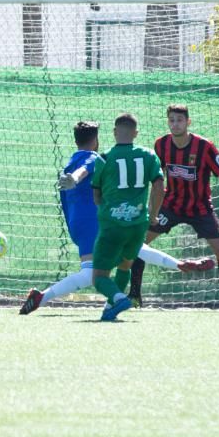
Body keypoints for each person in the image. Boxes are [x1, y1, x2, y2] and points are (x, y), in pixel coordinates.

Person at [19, 120, 213, 315]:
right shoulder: (94, 158)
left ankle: (176, 266)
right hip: (92, 221)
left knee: (127, 253)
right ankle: (43, 297)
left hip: (78, 223)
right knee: (96, 271)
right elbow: (84, 170)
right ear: (95, 140)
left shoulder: (69, 162)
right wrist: (75, 179)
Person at [127, 104, 219, 312]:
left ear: (188, 122)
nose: (175, 124)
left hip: (200, 208)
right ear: (168, 122)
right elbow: (156, 178)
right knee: (140, 244)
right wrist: (152, 207)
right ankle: (134, 296)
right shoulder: (161, 145)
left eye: (180, 120)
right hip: (170, 206)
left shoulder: (204, 146)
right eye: (172, 120)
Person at [90, 113, 165, 321]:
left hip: (112, 226)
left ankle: (119, 298)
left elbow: (96, 194)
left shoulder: (104, 158)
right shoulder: (149, 155)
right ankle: (110, 309)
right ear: (136, 133)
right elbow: (159, 186)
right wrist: (154, 214)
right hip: (138, 224)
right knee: (125, 265)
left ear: (114, 132)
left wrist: (106, 209)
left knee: (98, 277)